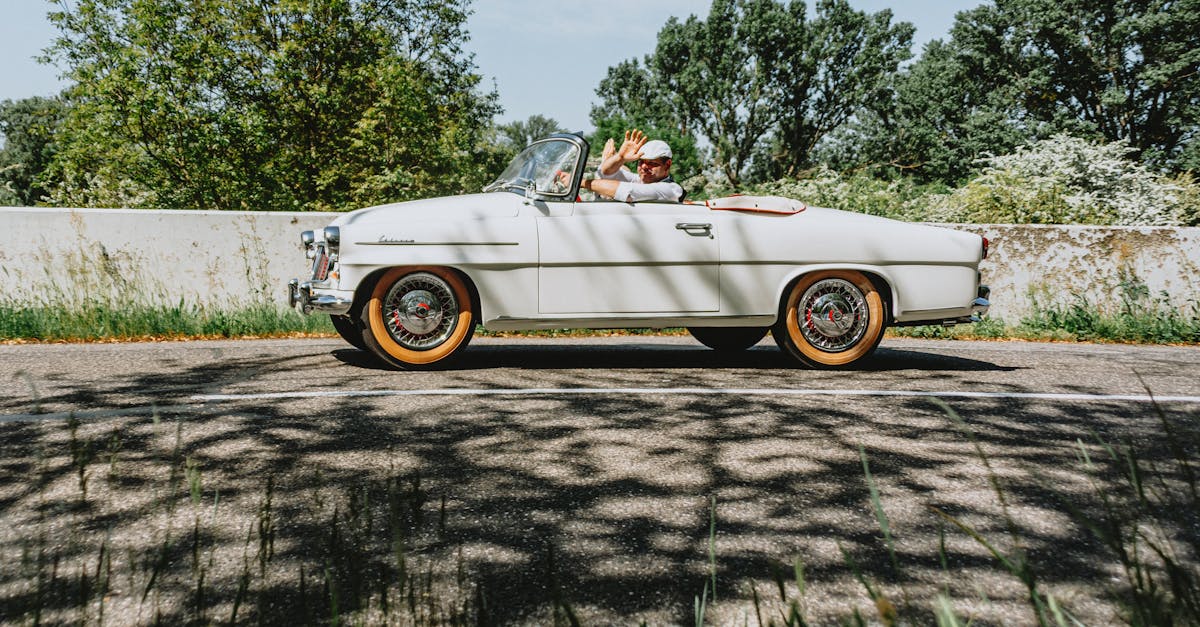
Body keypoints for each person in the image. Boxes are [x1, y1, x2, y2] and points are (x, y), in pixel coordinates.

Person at [580, 129, 685, 202]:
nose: (644, 167)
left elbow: (626, 192)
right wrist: (620, 158)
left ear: (667, 165)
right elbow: (605, 172)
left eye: (652, 163)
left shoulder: (670, 189)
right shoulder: (640, 180)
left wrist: (581, 183)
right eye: (641, 162)